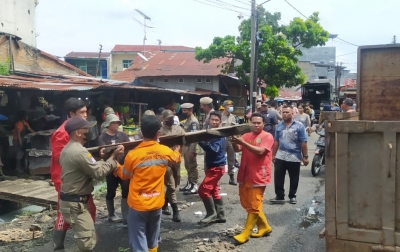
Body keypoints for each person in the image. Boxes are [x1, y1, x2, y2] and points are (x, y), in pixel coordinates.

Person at [114, 115, 181, 252]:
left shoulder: (133, 155)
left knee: (139, 241)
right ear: (158, 133)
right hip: (156, 204)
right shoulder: (165, 151)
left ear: (141, 132)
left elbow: (124, 175)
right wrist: (177, 149)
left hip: (138, 205)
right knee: (152, 240)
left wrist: (114, 162)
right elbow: (176, 159)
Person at [59, 116, 124, 251]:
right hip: (75, 204)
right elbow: (99, 173)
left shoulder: (68, 149)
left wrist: (99, 157)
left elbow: (86, 165)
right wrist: (113, 157)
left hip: (74, 201)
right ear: (78, 132)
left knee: (89, 237)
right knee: (87, 243)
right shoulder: (80, 152)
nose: (90, 131)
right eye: (87, 129)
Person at [51, 97, 90, 251]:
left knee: (86, 208)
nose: (85, 115)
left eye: (86, 112)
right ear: (71, 114)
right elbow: (60, 158)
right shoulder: (62, 133)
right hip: (65, 179)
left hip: (78, 177)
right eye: (82, 112)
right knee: (64, 213)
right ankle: (58, 246)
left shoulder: (78, 129)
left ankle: (85, 239)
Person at [231, 112, 274, 244]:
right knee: (247, 203)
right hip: (245, 173)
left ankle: (246, 233)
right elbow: (238, 149)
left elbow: (261, 151)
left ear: (263, 124)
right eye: (253, 122)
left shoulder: (268, 136)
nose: (255, 125)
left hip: (258, 175)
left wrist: (242, 142)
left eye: (258, 123)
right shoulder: (246, 135)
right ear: (249, 122)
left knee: (254, 205)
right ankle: (264, 227)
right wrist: (234, 141)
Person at [270, 106, 308, 205]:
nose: (285, 114)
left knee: (294, 178)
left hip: (294, 156)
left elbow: (303, 142)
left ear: (292, 114)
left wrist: (305, 156)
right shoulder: (279, 126)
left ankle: (292, 196)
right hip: (281, 156)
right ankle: (279, 196)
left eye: (287, 112)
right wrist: (273, 155)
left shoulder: (299, 126)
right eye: (283, 112)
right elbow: (276, 141)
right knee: (278, 177)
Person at [98, 114, 130, 224]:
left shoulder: (123, 135)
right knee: (111, 191)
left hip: (123, 167)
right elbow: (103, 153)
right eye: (113, 123)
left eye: (117, 123)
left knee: (126, 190)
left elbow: (129, 148)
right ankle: (111, 214)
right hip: (111, 168)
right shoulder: (102, 137)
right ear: (108, 124)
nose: (116, 125)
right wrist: (113, 150)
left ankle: (126, 217)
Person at [198, 111, 227, 224]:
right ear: (209, 120)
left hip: (217, 167)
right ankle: (221, 215)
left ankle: (211, 213)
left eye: (216, 120)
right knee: (214, 190)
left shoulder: (218, 135)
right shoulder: (210, 133)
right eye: (212, 119)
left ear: (220, 122)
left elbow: (214, 150)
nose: (214, 122)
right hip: (212, 166)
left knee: (203, 190)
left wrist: (201, 141)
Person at [160, 109, 185, 222]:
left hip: (177, 160)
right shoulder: (159, 131)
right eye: (168, 119)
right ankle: (176, 211)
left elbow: (184, 141)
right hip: (166, 162)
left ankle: (164, 204)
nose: (170, 120)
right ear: (163, 119)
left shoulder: (178, 129)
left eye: (172, 118)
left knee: (176, 183)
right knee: (171, 185)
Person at [179, 103, 200, 195]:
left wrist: (192, 151)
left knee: (192, 167)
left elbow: (194, 138)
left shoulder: (193, 121)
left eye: (185, 110)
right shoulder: (187, 120)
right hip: (186, 146)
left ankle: (194, 185)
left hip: (191, 147)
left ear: (190, 110)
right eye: (183, 110)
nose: (183, 112)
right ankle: (189, 184)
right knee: (187, 166)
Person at [221, 100, 238, 185]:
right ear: (224, 106)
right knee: (220, 158)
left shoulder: (233, 117)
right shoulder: (220, 116)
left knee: (231, 159)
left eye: (231, 105)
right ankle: (217, 177)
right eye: (229, 105)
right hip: (222, 140)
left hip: (231, 139)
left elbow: (235, 129)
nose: (230, 107)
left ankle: (231, 177)